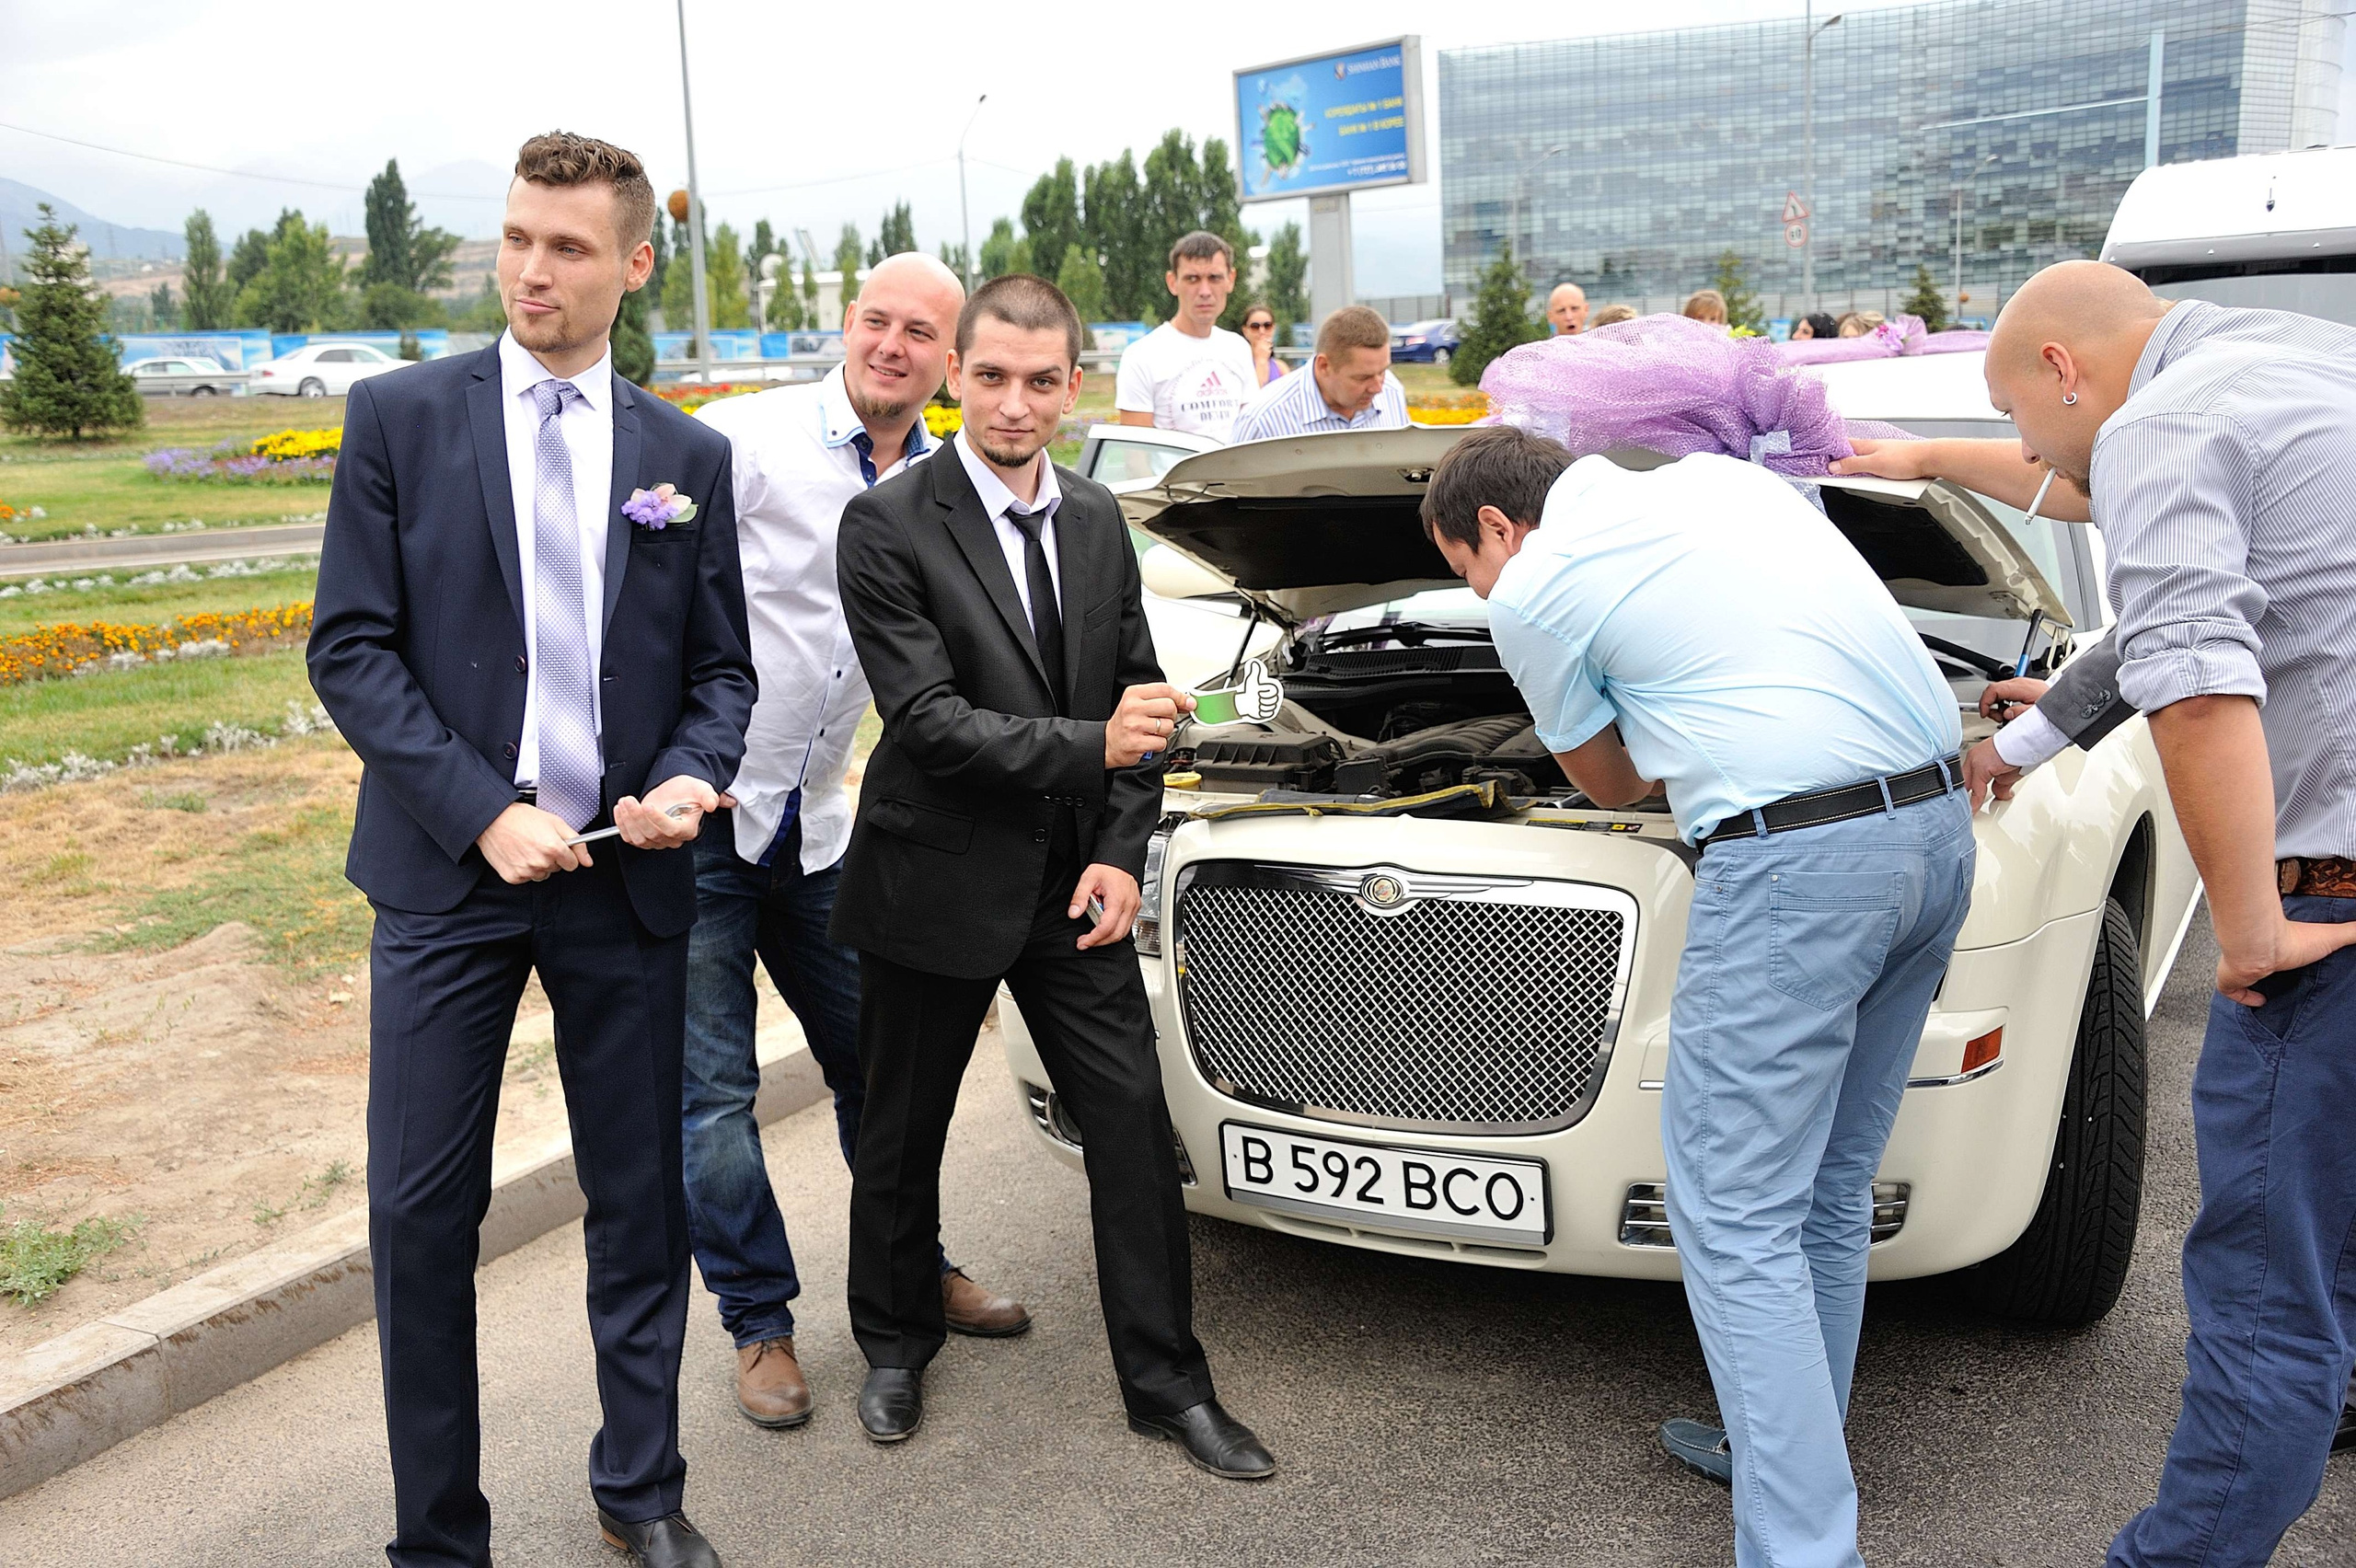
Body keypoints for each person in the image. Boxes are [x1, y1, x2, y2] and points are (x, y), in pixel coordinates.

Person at [1833, 259, 2356, 1563]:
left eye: (2021, 421)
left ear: (2067, 370)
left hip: (2333, 901)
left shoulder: (2167, 424)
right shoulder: (2295, 362)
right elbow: (2175, 588)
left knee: (2261, 1296)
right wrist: (2026, 742)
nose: (2027, 453)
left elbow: (2191, 677)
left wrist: (2255, 930)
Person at [308, 132, 756, 1568]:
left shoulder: (686, 457)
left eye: (566, 247)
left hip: (625, 882)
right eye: (515, 238)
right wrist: (479, 812)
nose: (530, 270)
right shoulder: (399, 418)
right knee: (421, 1215)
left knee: (641, 1199)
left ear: (633, 263)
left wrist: (690, 777)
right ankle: (439, 1539)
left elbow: (721, 676)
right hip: (447, 880)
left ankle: (642, 1492)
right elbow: (354, 650)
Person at [1422, 425, 1973, 1568]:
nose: (1481, 595)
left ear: (1492, 527)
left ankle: (1805, 1550)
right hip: (1936, 827)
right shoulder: (1726, 485)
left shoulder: (1538, 585)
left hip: (1801, 865)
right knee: (1822, 1190)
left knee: (1732, 1217)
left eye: (1466, 573)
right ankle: (1781, 1441)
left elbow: (1616, 778)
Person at [831, 273, 1275, 1482]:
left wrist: (1124, 854)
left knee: (1132, 1127)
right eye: (991, 379)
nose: (1015, 406)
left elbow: (1140, 698)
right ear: (954, 374)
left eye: (1040, 383)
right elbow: (927, 722)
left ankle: (1168, 1385)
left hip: (1074, 888)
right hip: (934, 881)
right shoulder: (886, 523)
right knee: (901, 1132)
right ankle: (894, 1341)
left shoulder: (1092, 519)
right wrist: (1097, 750)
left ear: (1071, 387)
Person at [683, 252, 1030, 1435]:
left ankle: (907, 1268)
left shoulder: (949, 481)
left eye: (919, 331)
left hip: (826, 829)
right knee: (714, 1098)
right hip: (704, 825)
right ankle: (757, 1322)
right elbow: (648, 594)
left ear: (949, 356)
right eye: (876, 321)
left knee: (883, 1072)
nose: (893, 344)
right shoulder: (745, 440)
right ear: (847, 325)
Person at [1114, 230, 1257, 435]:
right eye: (1192, 279)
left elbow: (1250, 433)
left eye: (1214, 278)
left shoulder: (1239, 348)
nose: (1205, 291)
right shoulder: (1141, 357)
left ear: (1230, 279)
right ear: (1172, 282)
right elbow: (1136, 457)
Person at [1229, 304, 1410, 443]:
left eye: (1383, 372)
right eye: (1363, 377)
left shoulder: (1391, 392)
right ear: (1324, 366)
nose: (1378, 387)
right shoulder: (1263, 421)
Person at [1240, 301, 1288, 386]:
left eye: (1267, 326)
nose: (1262, 331)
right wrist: (1261, 361)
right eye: (1255, 326)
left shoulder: (1281, 368)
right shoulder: (1238, 366)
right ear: (1245, 331)